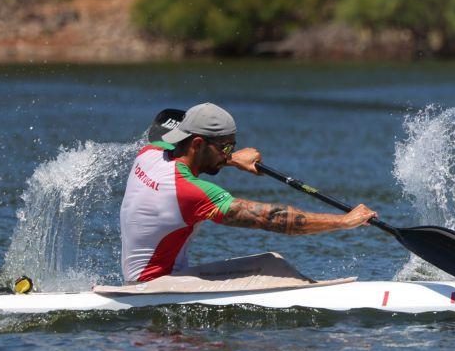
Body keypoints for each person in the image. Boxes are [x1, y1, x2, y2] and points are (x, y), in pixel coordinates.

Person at [120, 102, 376, 282]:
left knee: (269, 263)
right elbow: (270, 218)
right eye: (226, 147)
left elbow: (183, 156)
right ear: (198, 143)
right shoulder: (191, 192)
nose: (230, 153)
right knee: (271, 265)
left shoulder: (150, 154)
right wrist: (344, 221)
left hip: (145, 277)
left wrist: (229, 160)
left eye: (233, 147)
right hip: (154, 285)